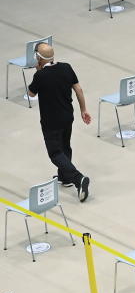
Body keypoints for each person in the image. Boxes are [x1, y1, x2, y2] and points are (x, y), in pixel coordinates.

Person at [27, 43, 91, 202]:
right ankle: (65, 177)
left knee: (55, 153)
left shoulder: (40, 76)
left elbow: (31, 93)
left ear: (39, 58)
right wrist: (84, 110)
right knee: (65, 146)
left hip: (51, 121)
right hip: (67, 116)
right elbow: (79, 90)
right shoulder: (66, 67)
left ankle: (78, 179)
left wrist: (38, 72)